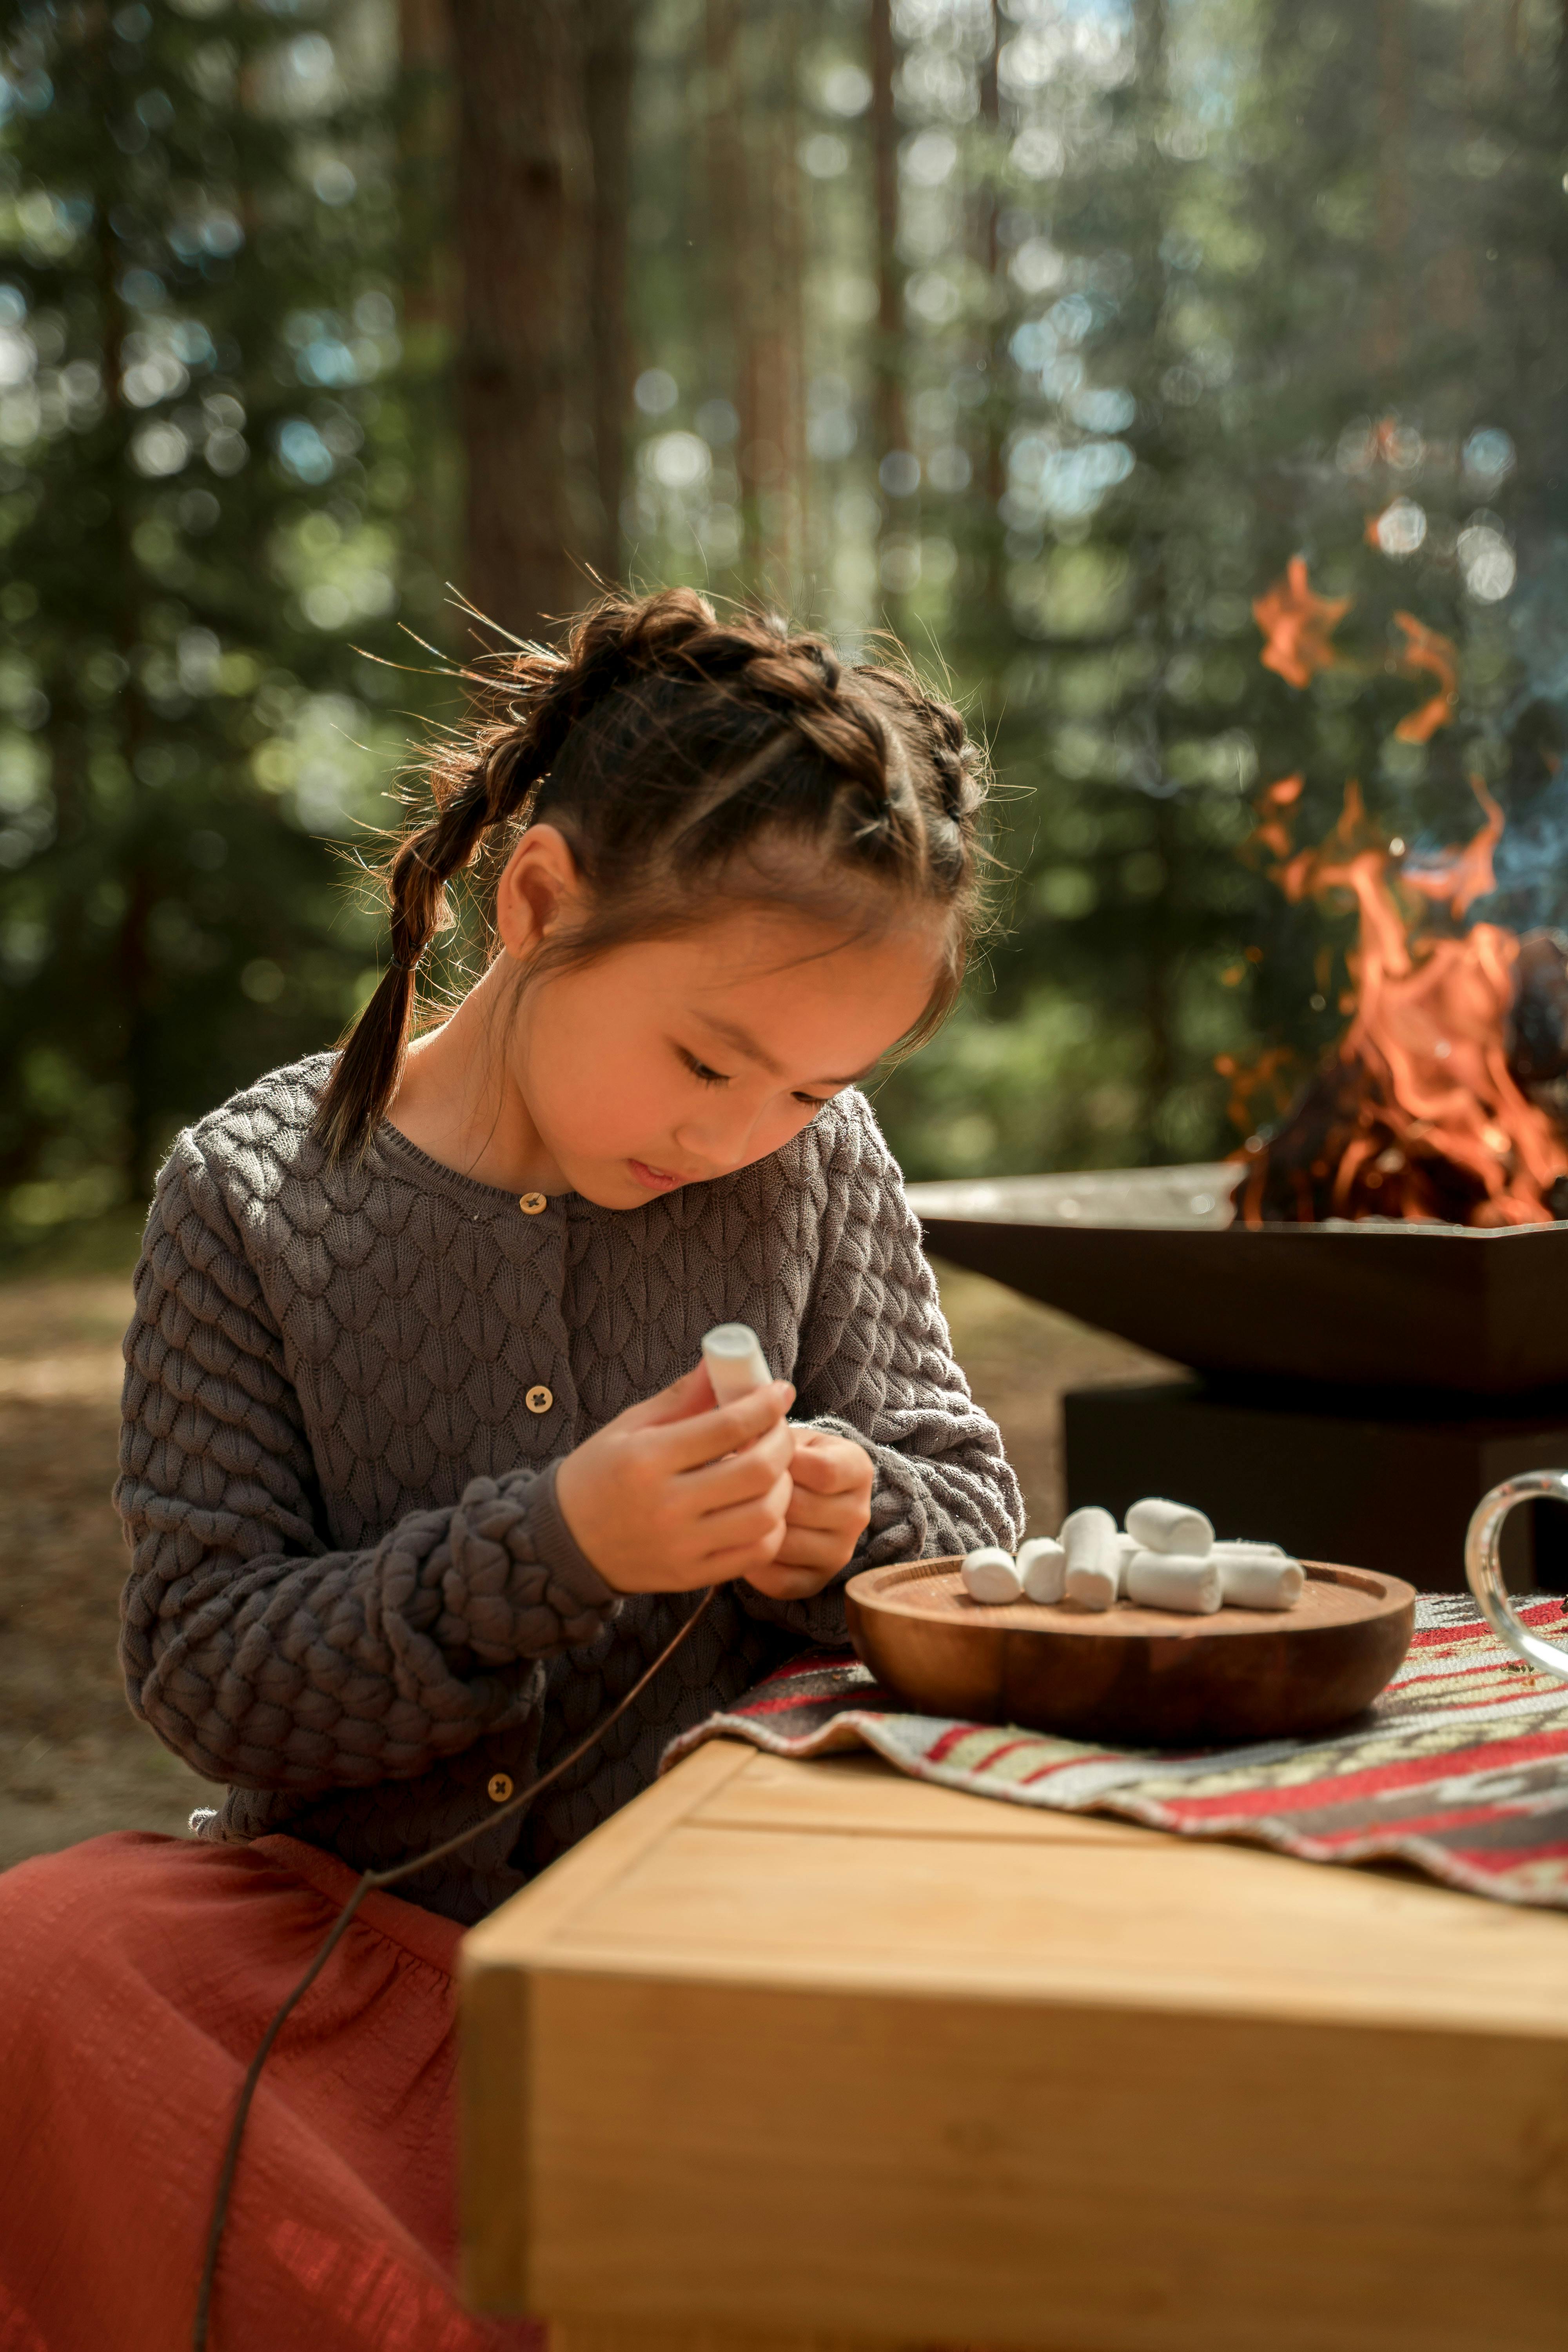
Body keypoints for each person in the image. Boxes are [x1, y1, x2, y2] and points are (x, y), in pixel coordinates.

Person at [0, 588, 1021, 2352]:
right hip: (344, 1945)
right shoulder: (252, 1199)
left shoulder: (813, 1166)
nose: (739, 1132)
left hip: (716, 1943)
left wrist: (844, 1515)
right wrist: (551, 1546)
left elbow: (971, 1525)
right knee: (45, 1966)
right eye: (709, 1059)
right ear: (534, 900)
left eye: (808, 1088)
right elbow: (211, 1673)